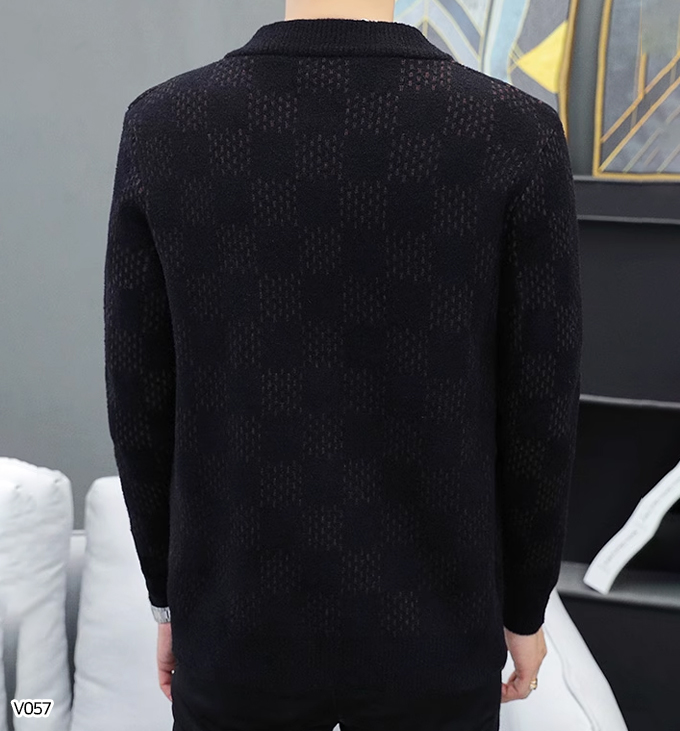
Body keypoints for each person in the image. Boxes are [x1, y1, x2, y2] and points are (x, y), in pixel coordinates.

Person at [103, 0, 582, 728]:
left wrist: (168, 598)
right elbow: (540, 406)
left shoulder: (163, 126)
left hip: (236, 626)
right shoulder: (514, 132)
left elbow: (139, 396)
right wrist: (524, 605)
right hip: (436, 633)